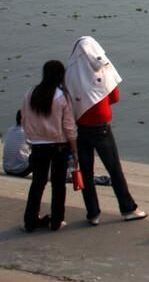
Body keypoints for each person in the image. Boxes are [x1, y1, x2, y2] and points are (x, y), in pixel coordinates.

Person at [64, 36, 147, 225]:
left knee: (86, 170)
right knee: (114, 169)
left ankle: (93, 213)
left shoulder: (69, 72)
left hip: (79, 127)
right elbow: (115, 97)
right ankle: (128, 208)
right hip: (101, 127)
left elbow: (67, 101)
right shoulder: (102, 69)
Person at [21, 60, 79, 232]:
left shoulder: (31, 93)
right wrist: (75, 149)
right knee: (58, 184)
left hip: (38, 145)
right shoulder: (61, 96)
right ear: (61, 76)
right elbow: (69, 126)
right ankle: (56, 220)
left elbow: (24, 119)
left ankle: (30, 220)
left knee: (37, 183)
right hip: (59, 146)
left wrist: (32, 137)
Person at [4, 110, 33, 177]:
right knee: (42, 151)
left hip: (7, 169)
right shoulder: (27, 131)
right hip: (20, 171)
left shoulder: (10, 130)